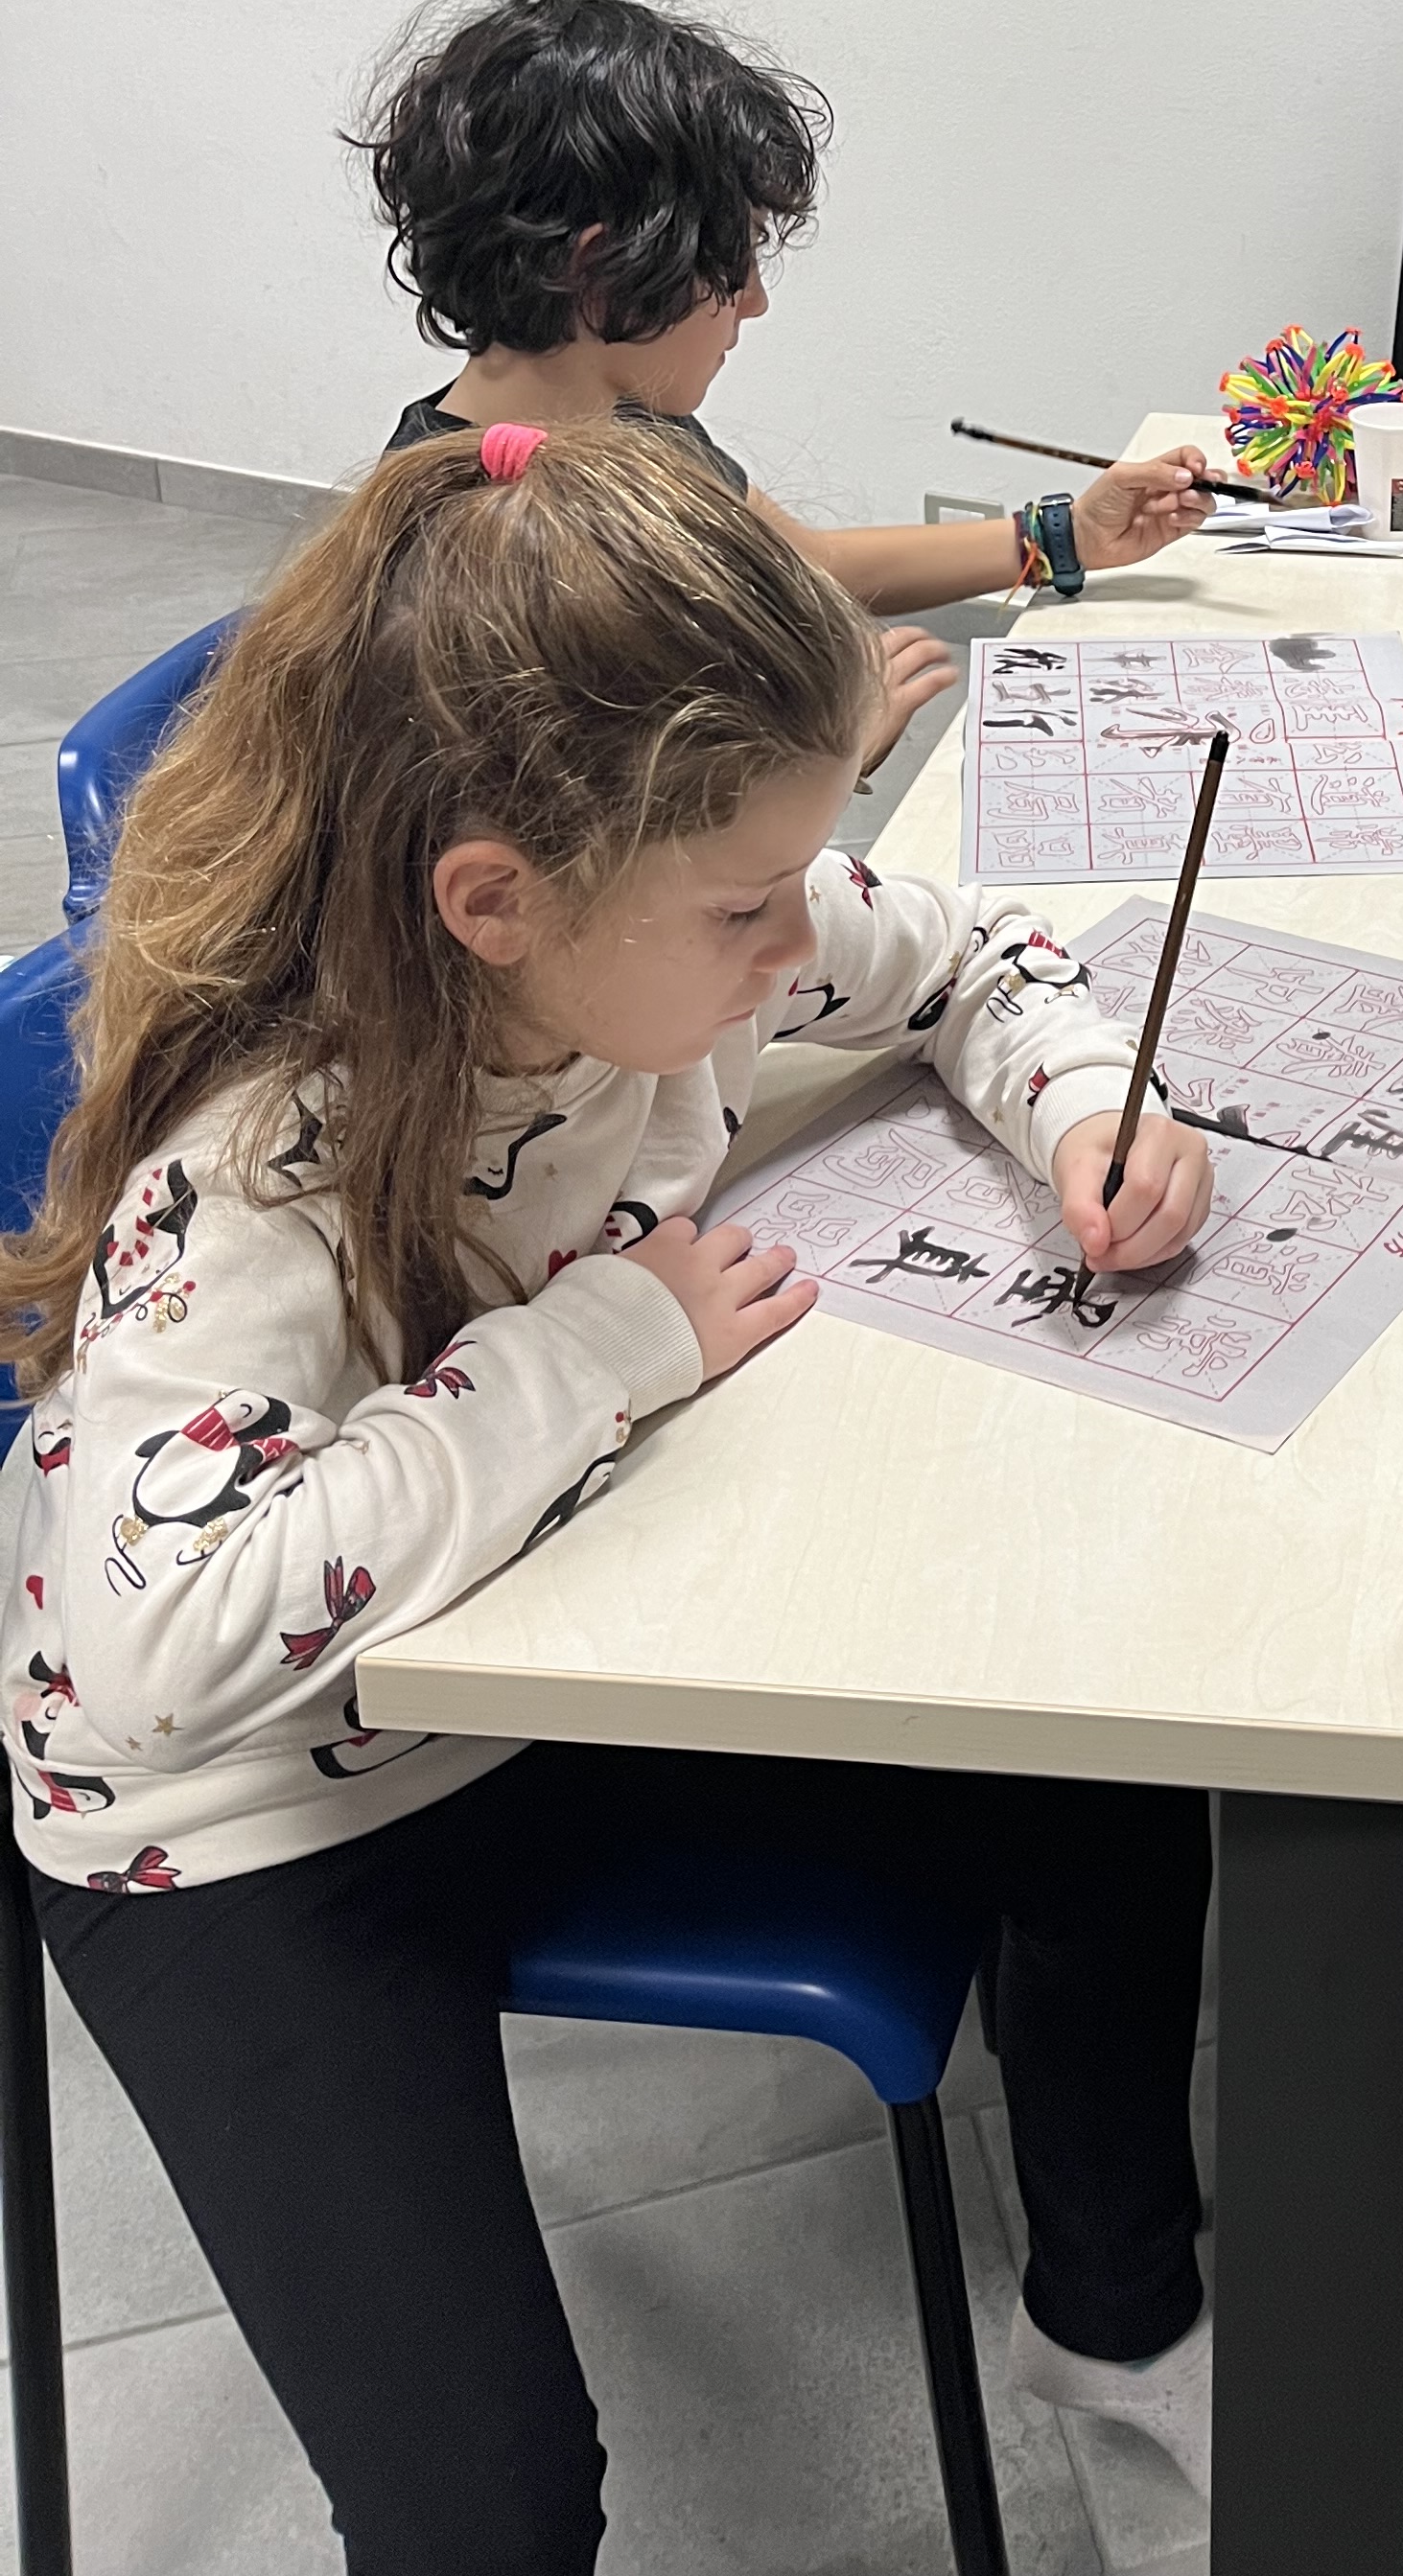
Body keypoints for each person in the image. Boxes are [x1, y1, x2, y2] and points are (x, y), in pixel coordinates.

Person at [0, 422, 1222, 2568]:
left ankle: (1120, 2331)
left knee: (1103, 1788)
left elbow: (963, 956)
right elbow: (165, 1643)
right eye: (747, 911)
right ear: (494, 901)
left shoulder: (671, 923)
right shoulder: (260, 1144)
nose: (793, 945)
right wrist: (599, 1345)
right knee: (487, 2501)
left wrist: (1084, 1115)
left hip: (545, 1670)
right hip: (237, 1815)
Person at [352, 0, 1222, 770]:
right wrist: (824, 762)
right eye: (735, 265)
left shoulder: (632, 422)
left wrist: (1064, 537)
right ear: (602, 270)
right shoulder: (474, 544)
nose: (757, 303)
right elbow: (600, 856)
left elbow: (802, 563)